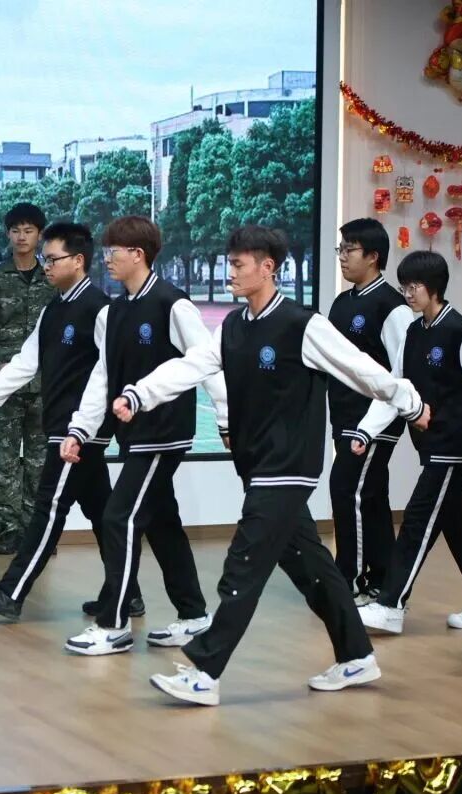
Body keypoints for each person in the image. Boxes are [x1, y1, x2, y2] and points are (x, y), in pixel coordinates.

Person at [119, 225, 430, 706]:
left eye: (238, 265)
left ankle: (205, 671)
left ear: (267, 268)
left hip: (289, 466)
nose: (230, 273)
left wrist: (408, 400)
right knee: (311, 567)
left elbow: (359, 368)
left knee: (243, 564)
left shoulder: (302, 325)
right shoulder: (234, 327)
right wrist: (140, 394)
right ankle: (356, 655)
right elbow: (190, 366)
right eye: (230, 263)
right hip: (256, 464)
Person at [60, 215, 227, 656]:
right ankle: (194, 615)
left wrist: (226, 418)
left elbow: (208, 362)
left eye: (113, 251)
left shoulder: (174, 305)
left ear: (138, 254)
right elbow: (102, 376)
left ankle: (113, 624)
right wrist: (80, 429)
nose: (106, 258)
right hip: (131, 435)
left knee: (119, 517)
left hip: (164, 434)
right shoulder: (112, 312)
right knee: (162, 522)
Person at [0, 222, 143, 619]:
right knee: (103, 513)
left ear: (78, 261)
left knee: (47, 510)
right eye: (45, 258)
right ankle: (127, 594)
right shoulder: (53, 310)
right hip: (62, 427)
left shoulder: (100, 309)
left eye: (52, 258)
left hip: (79, 433)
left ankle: (11, 593)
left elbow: (110, 372)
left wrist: (85, 426)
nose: (45, 265)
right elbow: (25, 363)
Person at [355, 250, 462, 635]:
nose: (408, 293)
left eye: (415, 286)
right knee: (458, 523)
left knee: (417, 520)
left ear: (434, 288)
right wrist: (366, 430)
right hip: (428, 445)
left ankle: (390, 604)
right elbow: (397, 387)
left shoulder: (459, 332)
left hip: (452, 447)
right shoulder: (413, 332)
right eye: (404, 286)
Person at [328, 218, 415, 603]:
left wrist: (377, 420)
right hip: (344, 415)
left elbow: (401, 372)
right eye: (341, 249)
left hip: (375, 421)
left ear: (373, 256)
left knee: (347, 489)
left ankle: (350, 579)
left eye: (350, 250)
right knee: (372, 496)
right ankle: (383, 579)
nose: (342, 257)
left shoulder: (391, 307)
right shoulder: (341, 303)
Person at [0, 203, 56, 555]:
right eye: (16, 230)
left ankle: (35, 532)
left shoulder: (52, 281)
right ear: (8, 234)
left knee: (39, 461)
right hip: (4, 390)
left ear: (39, 235)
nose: (21, 237)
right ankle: (9, 530)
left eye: (28, 230)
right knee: (6, 459)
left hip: (44, 388)